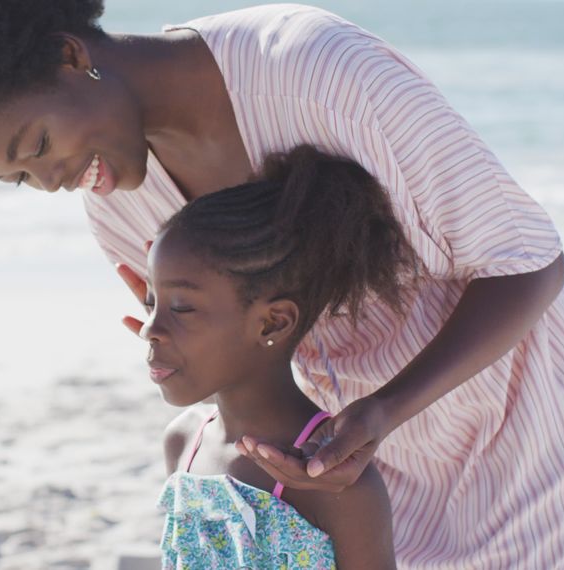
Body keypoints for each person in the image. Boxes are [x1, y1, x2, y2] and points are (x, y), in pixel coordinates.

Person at [0, 1, 564, 567]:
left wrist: (383, 410)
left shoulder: (312, 68)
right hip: (362, 458)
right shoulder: (118, 209)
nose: (53, 179)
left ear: (70, 55)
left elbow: (528, 260)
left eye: (40, 143)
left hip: (519, 412)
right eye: (19, 177)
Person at [150, 146, 400, 568]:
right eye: (150, 302)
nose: (149, 329)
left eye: (182, 308)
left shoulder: (335, 482)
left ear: (272, 323)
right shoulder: (182, 442)